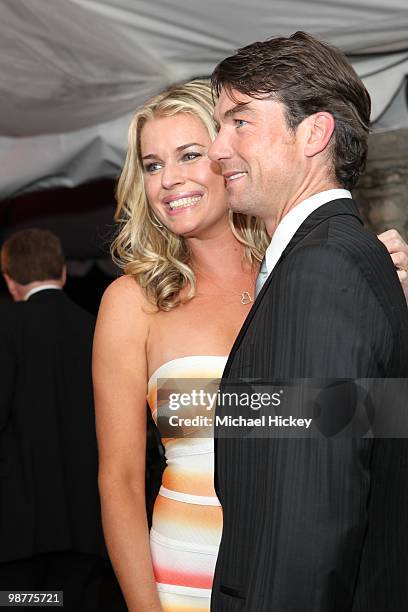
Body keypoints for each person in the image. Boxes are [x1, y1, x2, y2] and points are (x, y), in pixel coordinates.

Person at [93, 79, 408, 612]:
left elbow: (368, 427)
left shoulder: (305, 276)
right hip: (183, 580)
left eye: (189, 155)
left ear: (226, 152)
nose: (168, 180)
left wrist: (389, 316)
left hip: (303, 577)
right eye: (151, 165)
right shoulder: (132, 302)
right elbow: (119, 481)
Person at [208, 31, 408, 610]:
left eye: (239, 120)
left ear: (314, 133)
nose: (220, 147)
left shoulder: (322, 272)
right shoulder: (342, 258)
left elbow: (309, 522)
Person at [0, 229, 107, 611]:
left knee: (27, 606)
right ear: (63, 273)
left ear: (9, 280)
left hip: (18, 536)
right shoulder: (98, 328)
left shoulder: (6, 326)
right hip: (90, 531)